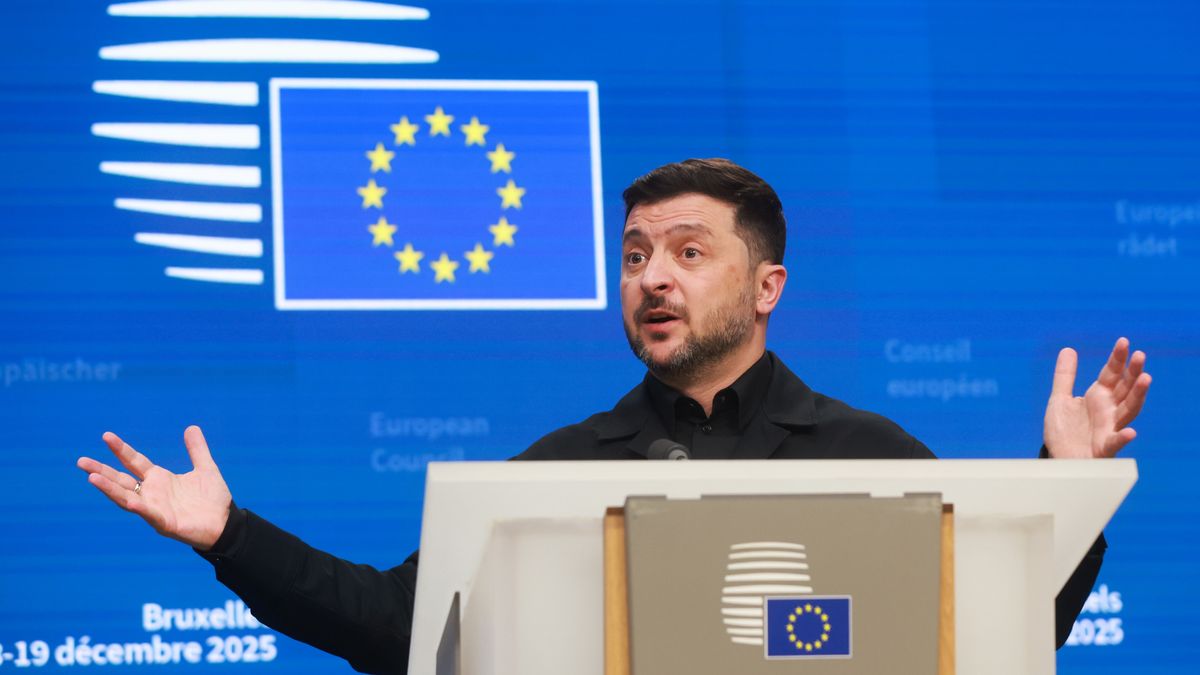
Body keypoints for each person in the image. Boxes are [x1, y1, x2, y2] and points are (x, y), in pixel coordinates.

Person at [77, 159, 1151, 674]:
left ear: (767, 287)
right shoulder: (562, 470)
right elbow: (398, 628)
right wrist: (230, 535)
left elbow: (993, 634)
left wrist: (1069, 492)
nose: (651, 277)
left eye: (687, 251)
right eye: (634, 256)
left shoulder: (873, 456)